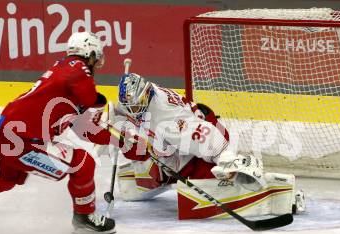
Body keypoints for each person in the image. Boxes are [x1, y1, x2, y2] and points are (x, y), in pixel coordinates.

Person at [0, 32, 116, 234]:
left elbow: (84, 126)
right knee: (83, 164)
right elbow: (89, 97)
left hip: (7, 131)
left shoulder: (62, 74)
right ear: (90, 52)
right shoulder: (77, 67)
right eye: (97, 57)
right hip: (24, 140)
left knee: (4, 178)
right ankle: (85, 217)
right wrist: (102, 102)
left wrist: (116, 135)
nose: (98, 64)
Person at [109, 73, 306, 214]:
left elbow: (208, 138)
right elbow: (123, 110)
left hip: (205, 147)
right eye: (129, 106)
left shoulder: (168, 119)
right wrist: (113, 115)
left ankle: (280, 192)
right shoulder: (143, 99)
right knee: (154, 168)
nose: (132, 109)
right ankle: (166, 171)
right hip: (183, 145)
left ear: (146, 95)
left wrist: (226, 160)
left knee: (214, 179)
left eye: (135, 105)